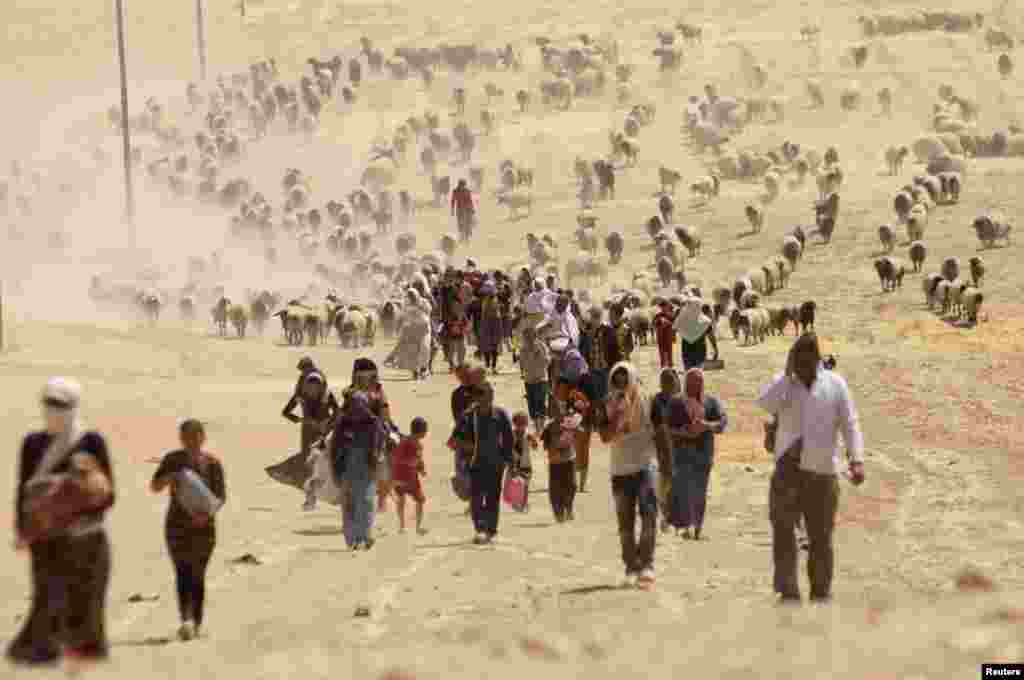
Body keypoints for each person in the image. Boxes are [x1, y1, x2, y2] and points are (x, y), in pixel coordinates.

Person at [9, 378, 115, 668]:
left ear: (74, 406)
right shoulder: (33, 443)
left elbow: (108, 493)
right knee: (45, 592)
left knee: (85, 598)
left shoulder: (92, 442)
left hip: (84, 536)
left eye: (61, 405)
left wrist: (85, 493)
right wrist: (22, 528)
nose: (53, 410)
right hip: (45, 534)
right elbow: (23, 489)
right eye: (49, 403)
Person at [757, 333, 865, 603]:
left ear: (817, 360)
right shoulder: (784, 385)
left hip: (822, 470)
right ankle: (788, 590)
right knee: (783, 530)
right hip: (787, 470)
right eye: (798, 361)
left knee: (821, 536)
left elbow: (850, 423)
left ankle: (820, 590)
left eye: (808, 361)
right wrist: (785, 373)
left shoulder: (835, 384)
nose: (803, 368)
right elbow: (766, 403)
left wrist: (857, 459)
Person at [150, 420, 227, 641]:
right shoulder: (173, 459)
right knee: (183, 572)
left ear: (203, 437)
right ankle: (186, 620)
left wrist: (205, 516)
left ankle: (196, 620)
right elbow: (154, 486)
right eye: (186, 436)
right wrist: (169, 477)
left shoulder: (212, 463)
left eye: (195, 435)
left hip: (205, 528)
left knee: (198, 574)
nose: (191, 440)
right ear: (181, 438)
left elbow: (221, 496)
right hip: (176, 525)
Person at [598, 362, 657, 588]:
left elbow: (659, 431)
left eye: (625, 380)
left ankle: (647, 564)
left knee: (649, 516)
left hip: (645, 466)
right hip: (620, 469)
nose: (621, 385)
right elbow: (605, 436)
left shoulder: (648, 400)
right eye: (616, 381)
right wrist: (618, 416)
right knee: (625, 524)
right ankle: (631, 566)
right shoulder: (606, 405)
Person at [667, 368, 727, 540]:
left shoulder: (710, 402)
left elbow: (722, 422)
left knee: (700, 492)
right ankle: (684, 526)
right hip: (682, 454)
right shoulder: (676, 402)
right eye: (692, 381)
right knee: (683, 489)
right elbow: (667, 428)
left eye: (699, 382)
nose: (695, 385)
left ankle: (697, 526)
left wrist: (706, 426)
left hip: (703, 454)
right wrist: (684, 432)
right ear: (686, 383)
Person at [451, 382, 514, 544]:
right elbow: (454, 440)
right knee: (476, 498)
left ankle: (491, 529)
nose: (490, 397)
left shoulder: (500, 415)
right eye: (487, 394)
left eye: (491, 394)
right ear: (478, 397)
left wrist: (509, 461)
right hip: (475, 464)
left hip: (496, 464)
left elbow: (508, 439)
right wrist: (466, 446)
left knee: (493, 497)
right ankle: (480, 528)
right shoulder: (468, 416)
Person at [331, 392, 385, 550]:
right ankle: (351, 540)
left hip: (367, 469)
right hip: (346, 469)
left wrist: (376, 466)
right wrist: (335, 472)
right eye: (355, 404)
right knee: (349, 505)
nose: (358, 408)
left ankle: (365, 537)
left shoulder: (373, 423)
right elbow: (334, 448)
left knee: (366, 503)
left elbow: (380, 445)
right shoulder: (343, 423)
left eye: (361, 404)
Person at [282, 370, 340, 510]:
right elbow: (286, 412)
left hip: (324, 433)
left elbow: (337, 412)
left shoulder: (327, 395)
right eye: (310, 385)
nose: (313, 388)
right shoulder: (300, 396)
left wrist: (327, 423)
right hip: (307, 433)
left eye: (316, 385)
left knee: (325, 463)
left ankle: (329, 495)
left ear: (321, 385)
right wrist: (301, 420)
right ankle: (310, 499)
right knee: (309, 463)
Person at [650, 368, 681, 533]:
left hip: (677, 446)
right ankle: (666, 515)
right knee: (663, 482)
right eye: (665, 381)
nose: (668, 384)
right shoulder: (657, 400)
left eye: (671, 381)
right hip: (662, 447)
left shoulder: (680, 400)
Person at [541, 400, 579, 522]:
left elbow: (577, 435)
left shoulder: (571, 424)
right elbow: (545, 444)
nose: (559, 412)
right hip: (555, 462)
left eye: (561, 409)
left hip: (569, 460)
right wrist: (553, 449)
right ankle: (558, 513)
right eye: (555, 410)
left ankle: (568, 508)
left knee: (572, 485)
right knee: (555, 489)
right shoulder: (549, 427)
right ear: (551, 412)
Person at [392, 417, 428, 535]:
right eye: (425, 430)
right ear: (420, 431)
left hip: (412, 477)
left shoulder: (418, 445)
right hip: (401, 476)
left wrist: (421, 469)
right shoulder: (405, 442)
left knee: (420, 500)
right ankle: (401, 526)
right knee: (401, 499)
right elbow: (398, 458)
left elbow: (419, 460)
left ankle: (418, 526)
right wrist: (412, 463)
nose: (426, 432)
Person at [519, 324, 550, 434]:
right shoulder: (522, 349)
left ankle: (540, 427)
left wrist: (539, 356)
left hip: (541, 379)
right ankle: (537, 427)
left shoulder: (541, 346)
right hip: (529, 380)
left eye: (530, 336)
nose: (528, 339)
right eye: (526, 337)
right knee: (532, 404)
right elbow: (521, 363)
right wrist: (523, 373)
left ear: (534, 336)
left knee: (540, 402)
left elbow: (547, 361)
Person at [674, 297, 719, 371]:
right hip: (700, 352)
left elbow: (674, 328)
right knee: (698, 373)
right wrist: (715, 349)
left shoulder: (682, 319)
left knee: (688, 373)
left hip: (686, 352)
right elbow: (711, 336)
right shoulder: (705, 321)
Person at [510, 412, 537, 511]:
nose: (521, 425)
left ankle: (524, 504)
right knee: (516, 485)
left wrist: (534, 441)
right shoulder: (511, 434)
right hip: (515, 464)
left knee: (525, 486)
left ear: (526, 424)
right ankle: (517, 503)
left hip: (526, 463)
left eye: (523, 423)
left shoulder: (528, 435)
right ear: (514, 423)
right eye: (518, 423)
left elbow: (535, 446)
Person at [477, 280, 504, 373]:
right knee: (488, 346)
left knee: (493, 346)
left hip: (493, 323)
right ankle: (489, 365)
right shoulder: (486, 299)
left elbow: (495, 313)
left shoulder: (493, 299)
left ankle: (492, 365)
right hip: (488, 323)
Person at [652, 300, 676, 369]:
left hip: (668, 336)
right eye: (662, 307)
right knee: (662, 352)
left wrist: (668, 323)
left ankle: (670, 365)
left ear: (667, 307)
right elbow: (653, 325)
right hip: (660, 336)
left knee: (669, 351)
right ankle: (663, 366)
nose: (664, 308)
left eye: (665, 307)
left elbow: (675, 326)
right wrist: (659, 322)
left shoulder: (671, 315)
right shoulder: (658, 315)